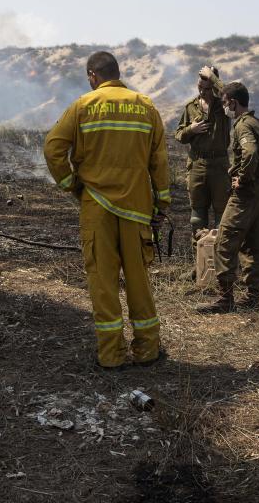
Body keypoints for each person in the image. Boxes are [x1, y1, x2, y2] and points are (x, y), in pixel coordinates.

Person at [43, 51, 170, 369]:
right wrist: (162, 203)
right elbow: (159, 161)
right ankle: (147, 350)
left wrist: (73, 185)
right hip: (137, 210)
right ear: (118, 72)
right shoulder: (146, 106)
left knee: (103, 282)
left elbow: (53, 148)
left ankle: (112, 355)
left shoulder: (83, 105)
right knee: (139, 281)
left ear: (92, 75)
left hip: (96, 207)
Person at [198, 81, 259, 313]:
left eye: (225, 103)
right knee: (253, 246)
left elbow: (251, 152)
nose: (225, 108)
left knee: (224, 243)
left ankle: (225, 299)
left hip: (244, 195)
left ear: (233, 103)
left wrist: (244, 178)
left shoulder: (243, 126)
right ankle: (252, 297)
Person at [174, 65, 231, 261]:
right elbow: (179, 135)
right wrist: (191, 129)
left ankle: (222, 264)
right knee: (197, 217)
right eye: (200, 87)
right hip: (197, 164)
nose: (202, 92)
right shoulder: (191, 106)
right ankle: (199, 265)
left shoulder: (224, 106)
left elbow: (231, 95)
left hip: (220, 165)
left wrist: (214, 78)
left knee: (223, 216)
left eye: (207, 88)